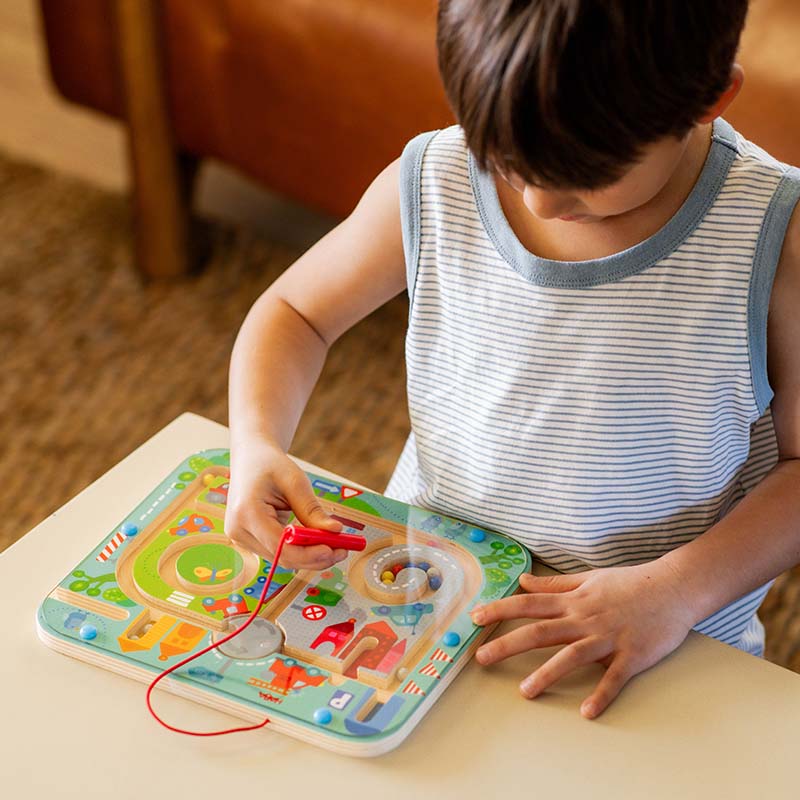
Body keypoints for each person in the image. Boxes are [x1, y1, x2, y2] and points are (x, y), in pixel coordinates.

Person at [225, 0, 800, 719]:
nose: (536, 198)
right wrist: (254, 443)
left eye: (585, 176)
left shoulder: (775, 237)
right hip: (428, 606)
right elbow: (294, 313)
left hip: (661, 644)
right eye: (503, 160)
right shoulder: (438, 176)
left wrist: (676, 590)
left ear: (710, 103)